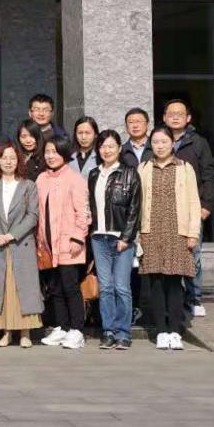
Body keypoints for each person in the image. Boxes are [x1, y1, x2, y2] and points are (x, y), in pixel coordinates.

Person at [138, 126, 201, 351]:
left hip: (177, 232)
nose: (160, 146)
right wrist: (138, 235)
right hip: (151, 231)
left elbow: (194, 201)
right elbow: (138, 203)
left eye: (164, 141)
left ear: (172, 143)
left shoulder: (185, 168)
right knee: (155, 283)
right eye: (155, 142)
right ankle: (161, 331)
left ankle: (175, 330)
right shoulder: (144, 168)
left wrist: (193, 233)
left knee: (175, 283)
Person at [0, 141, 42, 348]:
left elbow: (33, 216)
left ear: (19, 161)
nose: (8, 162)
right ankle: (6, 332)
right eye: (4, 158)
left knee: (22, 288)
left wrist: (12, 235)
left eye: (12, 158)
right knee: (2, 288)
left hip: (21, 243)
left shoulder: (28, 186)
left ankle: (25, 332)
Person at [163, 99, 214, 319]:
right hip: (164, 210)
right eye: (171, 113)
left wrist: (206, 206)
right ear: (164, 117)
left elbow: (209, 176)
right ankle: (172, 300)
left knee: (192, 255)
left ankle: (194, 298)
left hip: (191, 209)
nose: (175, 117)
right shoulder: (158, 139)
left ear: (188, 118)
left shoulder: (198, 142)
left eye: (180, 113)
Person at [87, 130, 141, 350]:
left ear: (119, 148)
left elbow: (135, 209)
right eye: (102, 146)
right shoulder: (94, 174)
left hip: (121, 238)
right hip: (98, 237)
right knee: (106, 287)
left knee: (122, 287)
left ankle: (123, 333)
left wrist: (126, 237)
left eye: (111, 146)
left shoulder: (130, 174)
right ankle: (108, 331)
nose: (106, 150)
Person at [36, 136, 91, 350]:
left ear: (65, 153)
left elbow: (83, 213)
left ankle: (77, 330)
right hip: (48, 245)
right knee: (55, 288)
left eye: (55, 152)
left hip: (69, 243)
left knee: (70, 287)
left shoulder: (75, 179)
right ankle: (62, 327)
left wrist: (78, 237)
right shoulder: (41, 179)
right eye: (48, 152)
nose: (50, 156)